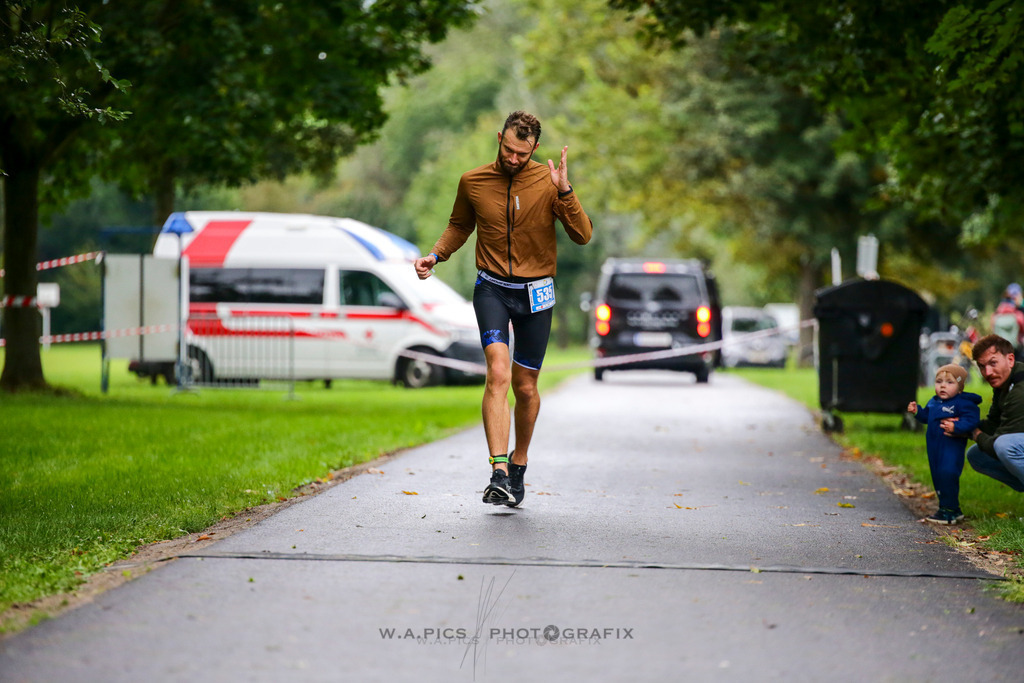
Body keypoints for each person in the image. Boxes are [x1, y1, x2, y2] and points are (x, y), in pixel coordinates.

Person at [413, 111, 593, 507]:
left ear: (535, 149)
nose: (513, 159)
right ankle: (498, 471)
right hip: (491, 287)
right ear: (500, 137)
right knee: (497, 371)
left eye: (522, 154)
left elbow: (582, 236)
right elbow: (459, 226)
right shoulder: (473, 181)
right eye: (509, 150)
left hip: (537, 292)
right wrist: (434, 255)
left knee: (525, 387)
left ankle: (519, 462)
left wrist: (565, 192)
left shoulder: (548, 183)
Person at [907, 364, 981, 524]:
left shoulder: (962, 403)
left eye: (949, 382)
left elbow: (972, 419)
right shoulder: (934, 402)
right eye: (939, 381)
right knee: (938, 477)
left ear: (960, 387)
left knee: (948, 474)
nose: (942, 385)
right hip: (934, 448)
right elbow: (927, 416)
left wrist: (956, 426)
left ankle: (949, 511)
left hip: (951, 448)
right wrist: (917, 411)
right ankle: (950, 508)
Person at [965, 334, 1024, 492]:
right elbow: (993, 425)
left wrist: (975, 434)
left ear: (1010, 359)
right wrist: (962, 425)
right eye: (982, 366)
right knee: (976, 455)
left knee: (1004, 445)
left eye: (993, 363)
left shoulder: (1020, 389)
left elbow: (1001, 440)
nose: (988, 372)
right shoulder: (1004, 383)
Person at [990, 283, 1024, 353]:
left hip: (1001, 348)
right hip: (1017, 347)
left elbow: (992, 325)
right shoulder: (1018, 314)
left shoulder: (999, 310)